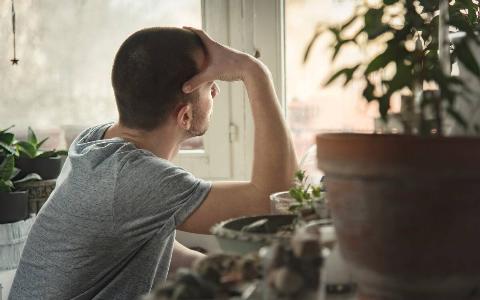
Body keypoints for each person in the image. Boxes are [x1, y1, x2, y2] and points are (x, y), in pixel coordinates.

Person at [9, 26, 297, 299]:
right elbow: (270, 198)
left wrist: (231, 273)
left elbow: (149, 242)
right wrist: (254, 71)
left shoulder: (94, 142)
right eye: (209, 84)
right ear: (184, 116)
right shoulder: (137, 178)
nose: (216, 92)